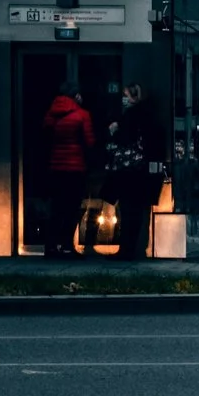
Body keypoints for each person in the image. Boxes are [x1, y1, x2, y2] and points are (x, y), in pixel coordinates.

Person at [35, 81, 95, 258]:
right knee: (72, 209)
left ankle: (51, 246)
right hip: (75, 169)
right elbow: (90, 142)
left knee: (56, 208)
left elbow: (44, 141)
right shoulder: (82, 115)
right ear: (76, 96)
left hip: (55, 168)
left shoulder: (50, 115)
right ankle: (67, 245)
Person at [103, 83, 161, 262]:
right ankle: (134, 248)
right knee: (136, 212)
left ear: (134, 97)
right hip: (139, 172)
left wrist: (114, 130)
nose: (123, 98)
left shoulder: (131, 117)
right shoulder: (148, 116)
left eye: (126, 95)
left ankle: (126, 250)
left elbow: (124, 139)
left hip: (129, 172)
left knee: (128, 212)